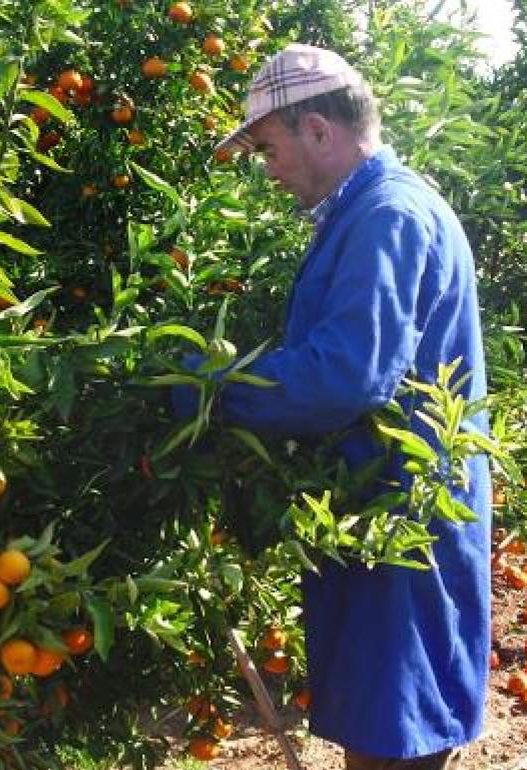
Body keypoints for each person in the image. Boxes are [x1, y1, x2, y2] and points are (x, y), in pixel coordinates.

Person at [202, 43, 493, 769]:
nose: (267, 170)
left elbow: (344, 377)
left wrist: (205, 390)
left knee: (393, 739)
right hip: (380, 512)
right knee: (386, 729)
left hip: (398, 520)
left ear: (319, 131)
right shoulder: (367, 212)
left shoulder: (386, 216)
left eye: (268, 148)